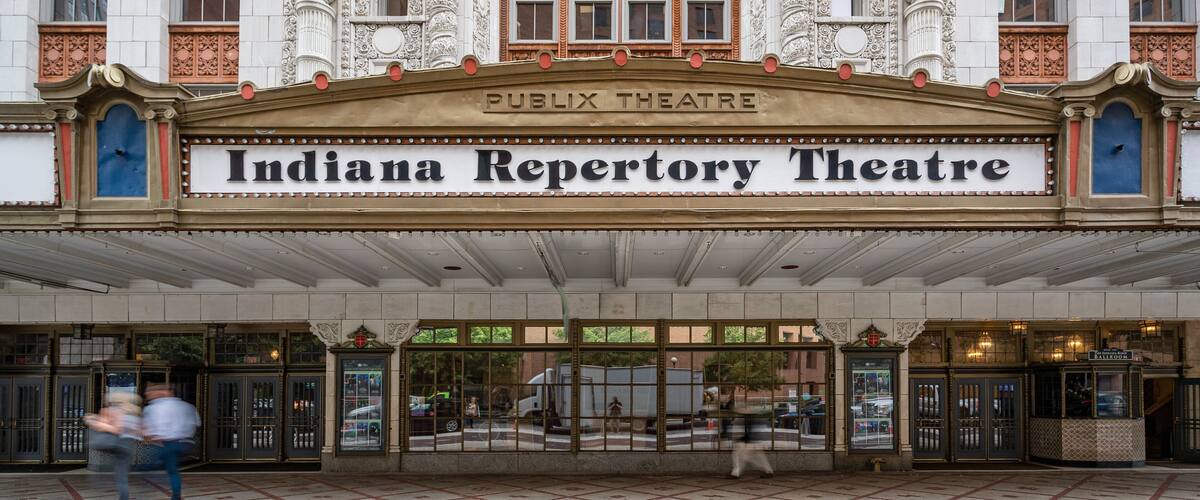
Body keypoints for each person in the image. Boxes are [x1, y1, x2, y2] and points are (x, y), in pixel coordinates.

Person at [143, 384, 199, 500]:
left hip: (167, 444)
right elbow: (195, 424)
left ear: (161, 392)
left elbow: (150, 431)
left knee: (160, 468)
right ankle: (175, 494)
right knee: (172, 469)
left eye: (150, 392)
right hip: (184, 443)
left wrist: (152, 437)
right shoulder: (187, 406)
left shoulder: (152, 408)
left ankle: (172, 494)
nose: (148, 395)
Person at [84, 392, 142, 500]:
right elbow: (139, 432)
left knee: (120, 474)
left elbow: (115, 429)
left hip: (116, 444)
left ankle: (123, 497)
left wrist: (93, 421)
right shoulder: (135, 413)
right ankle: (124, 497)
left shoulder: (111, 411)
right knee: (122, 475)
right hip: (129, 446)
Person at [729, 400, 773, 479]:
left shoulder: (747, 419)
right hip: (755, 442)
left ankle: (736, 473)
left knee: (739, 456)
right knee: (759, 457)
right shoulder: (753, 418)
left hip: (750, 443)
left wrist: (741, 439)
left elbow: (748, 432)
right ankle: (768, 471)